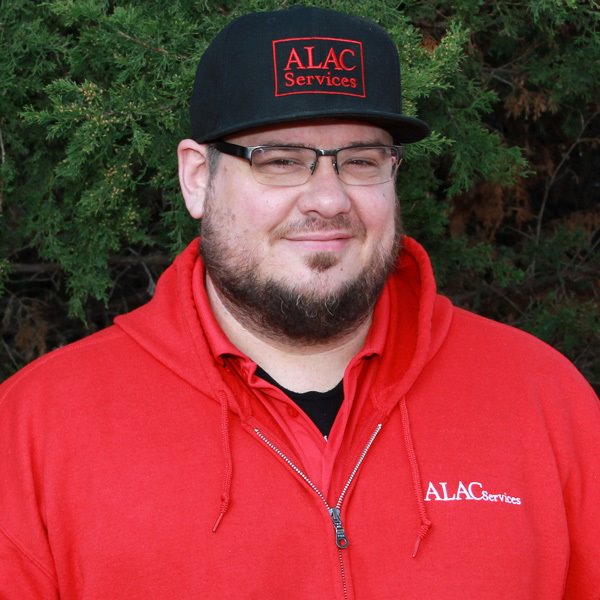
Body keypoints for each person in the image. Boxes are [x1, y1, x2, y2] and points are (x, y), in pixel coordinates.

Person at [1, 6, 598, 599]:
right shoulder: (37, 430)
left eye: (360, 161)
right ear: (197, 178)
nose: (329, 200)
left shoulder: (544, 401)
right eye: (282, 161)